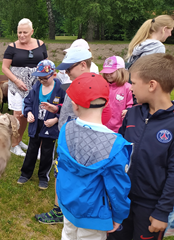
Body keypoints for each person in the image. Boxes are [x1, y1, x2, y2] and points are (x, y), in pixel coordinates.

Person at [35, 47, 112, 224]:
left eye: (69, 68)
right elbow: (70, 109)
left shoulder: (92, 87)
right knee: (61, 172)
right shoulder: (76, 84)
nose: (66, 72)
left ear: (83, 65)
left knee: (67, 173)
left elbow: (100, 115)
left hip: (77, 140)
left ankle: (63, 211)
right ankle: (62, 208)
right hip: (67, 136)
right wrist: (57, 109)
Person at [57, 72, 132, 240]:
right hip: (95, 214)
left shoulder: (66, 129)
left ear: (75, 106)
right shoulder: (116, 145)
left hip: (68, 204)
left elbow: (62, 165)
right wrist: (119, 215)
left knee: (67, 235)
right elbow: (118, 186)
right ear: (106, 104)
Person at [108, 53, 174, 239]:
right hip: (122, 198)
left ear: (152, 85)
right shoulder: (132, 114)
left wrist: (161, 212)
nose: (130, 88)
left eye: (134, 83)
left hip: (150, 207)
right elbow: (118, 152)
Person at [2, 18, 48, 157]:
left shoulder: (40, 44)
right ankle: (14, 144)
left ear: (32, 31)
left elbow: (45, 63)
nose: (22, 35)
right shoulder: (12, 47)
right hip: (18, 86)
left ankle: (22, 140)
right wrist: (16, 81)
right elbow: (5, 68)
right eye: (19, 32)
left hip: (36, 85)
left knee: (35, 114)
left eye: (25, 33)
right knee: (18, 114)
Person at [16, 60, 65, 189]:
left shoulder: (61, 90)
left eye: (44, 78)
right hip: (35, 124)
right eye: (39, 78)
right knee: (32, 149)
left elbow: (66, 109)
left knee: (47, 152)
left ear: (53, 75)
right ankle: (25, 173)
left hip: (50, 126)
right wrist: (29, 113)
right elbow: (27, 102)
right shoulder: (36, 87)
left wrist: (56, 119)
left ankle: (43, 177)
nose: (41, 81)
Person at [100, 56, 133, 132]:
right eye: (106, 72)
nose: (108, 75)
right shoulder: (103, 86)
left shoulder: (128, 88)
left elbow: (130, 105)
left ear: (120, 71)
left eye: (111, 72)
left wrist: (128, 111)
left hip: (119, 129)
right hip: (102, 127)